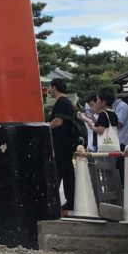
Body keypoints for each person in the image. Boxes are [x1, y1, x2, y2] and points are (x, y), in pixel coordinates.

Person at [48, 78, 79, 213]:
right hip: (67, 143)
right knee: (68, 174)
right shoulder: (68, 102)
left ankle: (52, 202)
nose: (50, 91)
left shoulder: (61, 102)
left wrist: (45, 127)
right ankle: (71, 202)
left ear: (54, 88)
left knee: (57, 172)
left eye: (51, 88)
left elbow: (58, 121)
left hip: (61, 143)